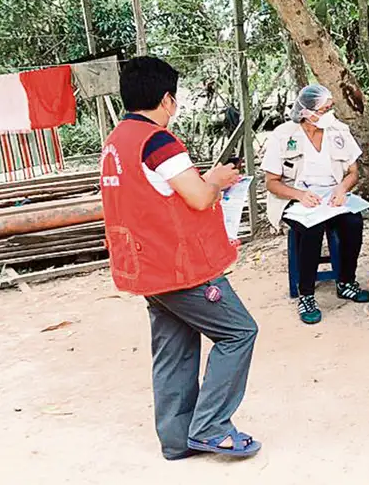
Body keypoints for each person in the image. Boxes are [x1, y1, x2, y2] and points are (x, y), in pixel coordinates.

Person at [99, 57, 260, 460]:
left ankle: (176, 440)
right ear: (167, 99)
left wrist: (206, 182)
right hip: (179, 265)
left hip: (144, 266)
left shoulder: (116, 140)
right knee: (239, 332)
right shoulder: (158, 141)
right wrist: (218, 180)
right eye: (175, 98)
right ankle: (211, 427)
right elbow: (199, 196)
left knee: (174, 349)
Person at [262, 84, 368, 324]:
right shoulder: (283, 134)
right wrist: (298, 195)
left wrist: (342, 188)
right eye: (324, 108)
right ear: (307, 112)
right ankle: (306, 294)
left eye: (330, 107)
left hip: (332, 197)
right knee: (312, 229)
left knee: (353, 222)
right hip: (296, 199)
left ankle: (346, 282)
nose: (329, 113)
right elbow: (271, 182)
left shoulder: (338, 130)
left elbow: (353, 171)